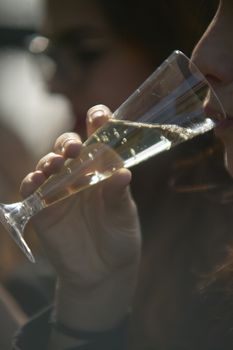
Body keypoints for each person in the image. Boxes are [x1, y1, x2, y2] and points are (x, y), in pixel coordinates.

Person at [11, 0, 233, 349]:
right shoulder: (107, 231)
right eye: (51, 54)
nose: (52, 84)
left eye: (86, 51)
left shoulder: (213, 273)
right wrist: (90, 303)